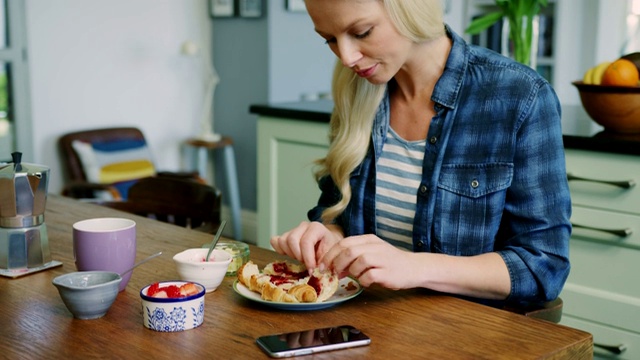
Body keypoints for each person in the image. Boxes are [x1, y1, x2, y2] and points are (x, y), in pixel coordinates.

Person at [270, 0, 571, 305]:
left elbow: (543, 266)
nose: (347, 57)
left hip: (471, 335)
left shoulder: (520, 96)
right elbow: (336, 208)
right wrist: (330, 236)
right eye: (330, 39)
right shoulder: (357, 90)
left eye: (362, 32)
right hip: (368, 324)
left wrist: (414, 266)